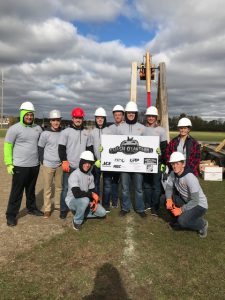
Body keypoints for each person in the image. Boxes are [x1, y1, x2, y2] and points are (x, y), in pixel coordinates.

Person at [4, 101, 43, 226]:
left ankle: (31, 208)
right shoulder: (14, 129)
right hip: (20, 166)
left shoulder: (38, 128)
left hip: (34, 165)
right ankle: (11, 215)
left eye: (31, 115)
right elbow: (8, 147)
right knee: (17, 191)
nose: (29, 117)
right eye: (27, 114)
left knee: (31, 190)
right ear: (22, 114)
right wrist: (9, 163)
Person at [165, 152, 208, 238]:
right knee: (164, 199)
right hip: (187, 201)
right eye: (173, 163)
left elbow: (195, 201)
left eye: (177, 163)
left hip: (199, 205)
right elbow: (169, 188)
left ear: (183, 164)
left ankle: (202, 224)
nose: (175, 166)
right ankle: (177, 219)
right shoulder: (173, 174)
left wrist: (181, 210)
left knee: (183, 221)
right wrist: (169, 199)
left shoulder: (190, 177)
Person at [116, 101, 146, 217]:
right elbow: (116, 144)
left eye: (133, 112)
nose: (131, 114)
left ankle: (140, 209)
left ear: (136, 114)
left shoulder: (142, 128)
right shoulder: (120, 128)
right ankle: (125, 207)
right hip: (124, 164)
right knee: (125, 188)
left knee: (138, 188)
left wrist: (155, 151)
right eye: (129, 112)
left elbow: (148, 145)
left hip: (138, 165)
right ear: (126, 113)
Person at [58, 107, 89, 219]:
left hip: (82, 168)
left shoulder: (86, 132)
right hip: (70, 166)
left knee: (81, 189)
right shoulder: (65, 132)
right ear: (72, 118)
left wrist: (89, 163)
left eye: (80, 118)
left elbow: (89, 148)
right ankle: (63, 210)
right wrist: (64, 161)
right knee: (66, 189)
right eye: (76, 117)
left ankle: (79, 208)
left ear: (82, 119)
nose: (78, 120)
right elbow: (61, 148)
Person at [65, 151, 106, 230]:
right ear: (81, 162)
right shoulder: (74, 175)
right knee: (85, 200)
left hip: (85, 200)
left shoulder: (90, 175)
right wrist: (91, 195)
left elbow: (92, 190)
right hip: (72, 201)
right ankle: (77, 221)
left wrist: (94, 201)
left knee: (102, 213)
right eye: (85, 162)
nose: (87, 165)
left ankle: (81, 213)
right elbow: (76, 194)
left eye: (89, 163)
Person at [143, 106, 168, 216]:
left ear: (156, 117)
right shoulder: (142, 129)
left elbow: (164, 148)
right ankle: (148, 203)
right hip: (144, 162)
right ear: (146, 117)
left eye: (153, 116)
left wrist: (162, 160)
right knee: (147, 184)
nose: (151, 118)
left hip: (157, 162)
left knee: (156, 185)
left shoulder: (161, 130)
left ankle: (155, 206)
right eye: (149, 116)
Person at [38, 109, 63, 218]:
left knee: (59, 187)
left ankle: (57, 205)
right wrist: (43, 162)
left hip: (60, 165)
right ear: (50, 121)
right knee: (47, 188)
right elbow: (40, 148)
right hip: (47, 165)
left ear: (60, 121)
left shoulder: (63, 133)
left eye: (57, 120)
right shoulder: (45, 134)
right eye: (53, 120)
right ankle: (47, 209)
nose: (56, 122)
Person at [87, 107, 110, 210]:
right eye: (98, 118)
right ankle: (96, 201)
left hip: (108, 162)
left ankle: (106, 204)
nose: (100, 120)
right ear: (95, 119)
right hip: (96, 163)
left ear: (104, 119)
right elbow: (90, 147)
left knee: (107, 183)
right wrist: (95, 160)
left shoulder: (109, 131)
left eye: (102, 118)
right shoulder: (92, 132)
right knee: (95, 183)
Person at [105, 105, 125, 208]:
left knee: (123, 183)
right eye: (116, 115)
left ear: (122, 115)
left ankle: (120, 200)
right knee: (113, 181)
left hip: (124, 160)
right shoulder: (110, 128)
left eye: (119, 114)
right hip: (112, 159)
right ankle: (114, 200)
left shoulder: (127, 127)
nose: (117, 116)